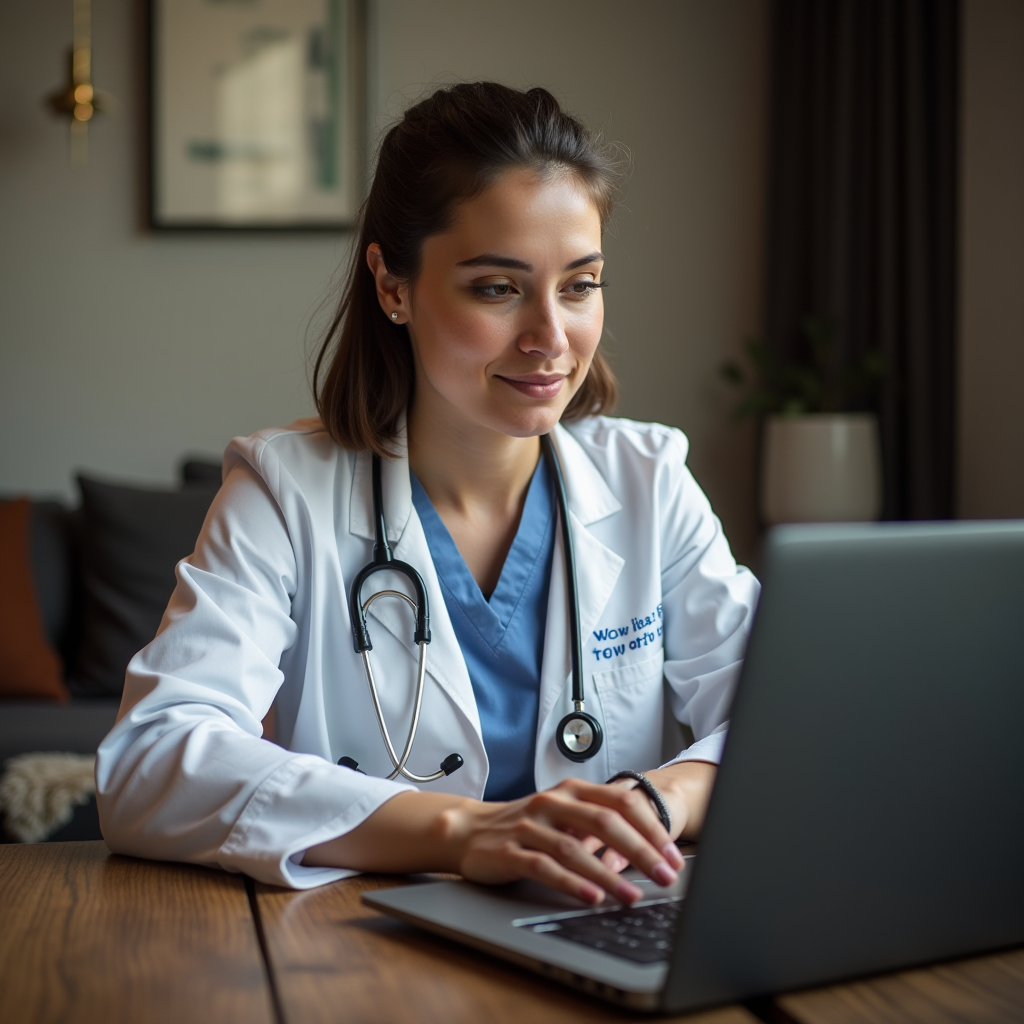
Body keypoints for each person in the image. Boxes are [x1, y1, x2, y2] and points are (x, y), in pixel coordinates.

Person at [95, 83, 759, 904]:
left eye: (580, 285)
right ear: (393, 285)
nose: (550, 338)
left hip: (604, 921)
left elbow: (795, 716)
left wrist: (658, 800)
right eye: (497, 288)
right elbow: (150, 762)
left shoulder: (649, 481)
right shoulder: (283, 493)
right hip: (363, 949)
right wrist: (458, 831)